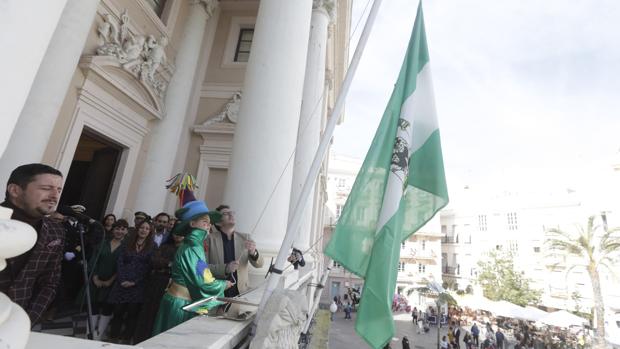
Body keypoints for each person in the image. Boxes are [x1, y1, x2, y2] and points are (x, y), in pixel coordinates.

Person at [152, 199, 232, 336]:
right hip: (181, 304)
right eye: (204, 222)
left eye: (209, 223)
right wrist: (223, 284)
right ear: (192, 224)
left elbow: (202, 272)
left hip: (177, 301)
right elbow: (203, 280)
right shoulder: (193, 247)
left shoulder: (192, 245)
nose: (208, 226)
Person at [0, 163, 65, 325]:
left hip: (15, 322)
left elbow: (50, 282)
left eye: (58, 190)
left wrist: (26, 320)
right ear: (15, 190)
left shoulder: (55, 231)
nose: (54, 196)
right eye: (46, 188)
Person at [107, 220, 154, 344]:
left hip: (138, 286)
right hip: (122, 284)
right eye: (142, 227)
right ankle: (113, 337)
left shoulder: (152, 246)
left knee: (132, 314)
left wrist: (135, 282)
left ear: (150, 231)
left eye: (147, 228)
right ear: (137, 229)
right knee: (118, 312)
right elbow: (120, 262)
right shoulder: (127, 243)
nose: (143, 230)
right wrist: (122, 279)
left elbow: (149, 267)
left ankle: (126, 338)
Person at [134, 230, 184, 343]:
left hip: (173, 285)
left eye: (181, 232)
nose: (178, 234)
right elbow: (155, 260)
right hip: (156, 283)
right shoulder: (165, 246)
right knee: (148, 313)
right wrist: (170, 264)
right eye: (176, 231)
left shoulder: (186, 249)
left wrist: (167, 265)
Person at [208, 205, 264, 298]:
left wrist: (253, 252)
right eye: (226, 214)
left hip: (241, 294)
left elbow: (260, 264)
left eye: (232, 213)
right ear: (218, 222)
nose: (231, 215)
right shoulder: (209, 239)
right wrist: (225, 268)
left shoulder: (245, 238)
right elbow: (201, 268)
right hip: (218, 294)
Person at [87, 219, 128, 340]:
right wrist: (95, 277)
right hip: (96, 280)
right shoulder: (103, 243)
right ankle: (89, 333)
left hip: (113, 283)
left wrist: (110, 281)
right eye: (117, 228)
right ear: (113, 229)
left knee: (107, 307)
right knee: (93, 306)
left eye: (122, 229)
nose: (119, 231)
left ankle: (98, 335)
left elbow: (123, 266)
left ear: (126, 231)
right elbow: (94, 260)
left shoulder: (126, 248)